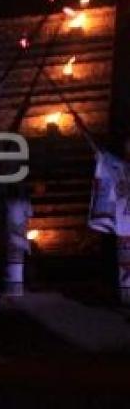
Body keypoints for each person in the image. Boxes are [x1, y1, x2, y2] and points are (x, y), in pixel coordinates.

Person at [85, 127, 130, 305]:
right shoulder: (118, 168)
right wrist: (85, 132)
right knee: (126, 267)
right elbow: (100, 153)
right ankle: (128, 302)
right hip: (125, 227)